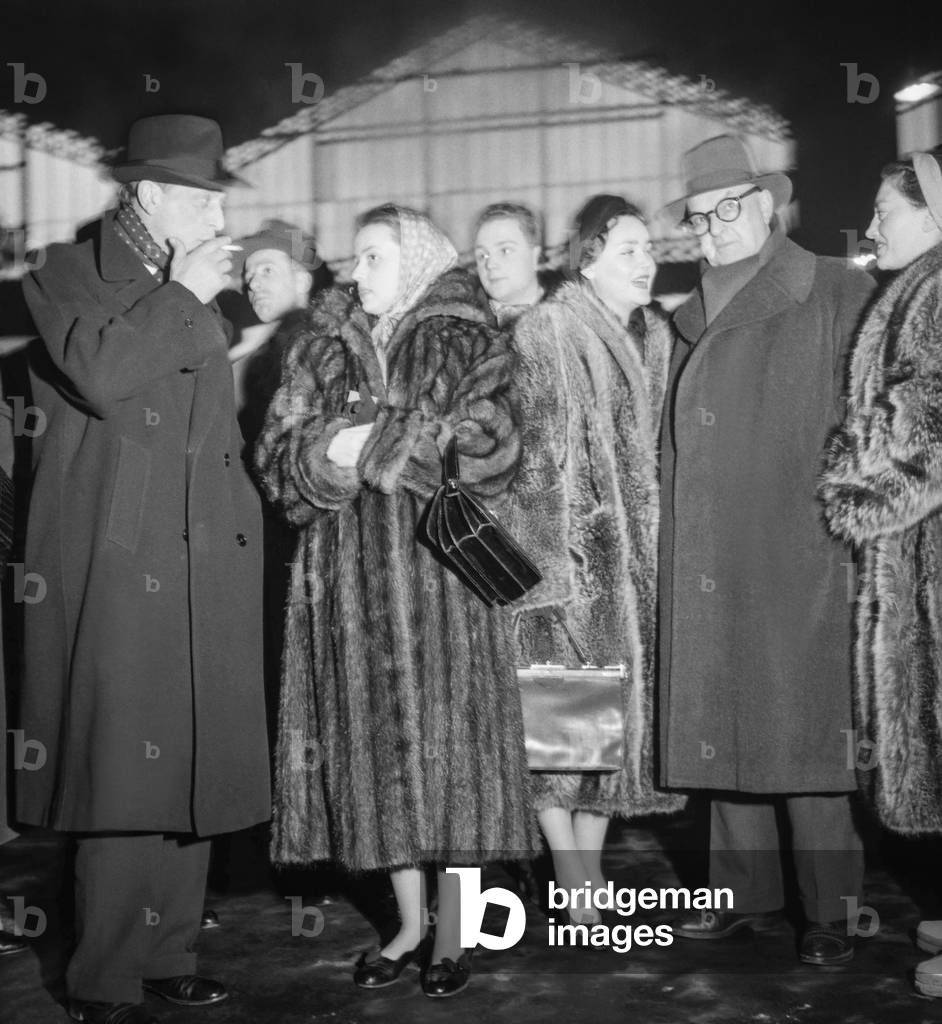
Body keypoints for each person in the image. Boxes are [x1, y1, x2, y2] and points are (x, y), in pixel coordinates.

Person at [17, 114, 271, 1024]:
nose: (215, 215)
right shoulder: (65, 272)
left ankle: (169, 953)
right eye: (202, 198)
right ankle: (103, 976)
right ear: (152, 196)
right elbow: (98, 371)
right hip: (116, 562)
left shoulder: (196, 286)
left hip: (206, 552)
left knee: (189, 763)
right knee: (126, 772)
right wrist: (185, 293)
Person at [255, 203, 537, 998]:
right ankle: (410, 925)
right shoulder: (317, 349)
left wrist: (379, 447)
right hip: (348, 594)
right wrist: (325, 456)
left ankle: (456, 930)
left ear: (414, 260)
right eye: (355, 258)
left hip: (442, 588)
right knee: (376, 767)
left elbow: (499, 446)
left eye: (375, 257)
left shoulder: (468, 339)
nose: (357, 273)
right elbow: (278, 463)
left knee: (455, 768)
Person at [658, 134, 875, 965]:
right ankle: (742, 895)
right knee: (723, 724)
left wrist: (845, 530)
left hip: (799, 548)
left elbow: (875, 422)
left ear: (764, 206)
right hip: (712, 545)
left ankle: (832, 910)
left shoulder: (833, 289)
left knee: (807, 738)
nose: (709, 228)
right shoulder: (687, 315)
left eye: (724, 209)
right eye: (697, 216)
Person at [508, 195, 684, 922]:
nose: (646, 262)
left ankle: (589, 869)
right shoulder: (549, 328)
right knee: (563, 725)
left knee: (609, 731)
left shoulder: (657, 337)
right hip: (571, 563)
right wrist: (553, 578)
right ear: (588, 258)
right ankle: (574, 874)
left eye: (648, 249)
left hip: (637, 565)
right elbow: (538, 465)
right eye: (629, 250)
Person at [818, 147, 942, 995]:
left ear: (933, 214)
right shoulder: (914, 288)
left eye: (886, 211)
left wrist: (854, 478)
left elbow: (928, 426)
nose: (871, 227)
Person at [472, 202, 546, 326]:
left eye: (505, 250)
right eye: (482, 255)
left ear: (535, 257)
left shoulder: (572, 317)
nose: (490, 264)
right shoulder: (461, 327)